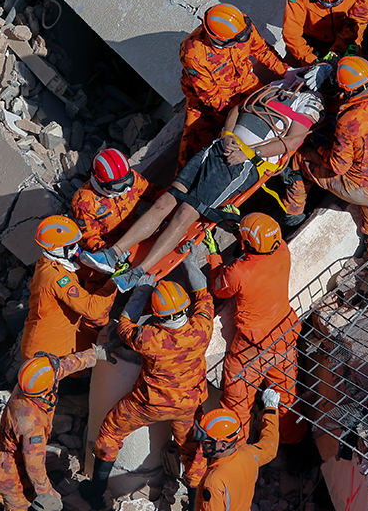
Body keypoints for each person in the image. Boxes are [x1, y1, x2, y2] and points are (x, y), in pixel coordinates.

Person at [82, 78, 324, 292]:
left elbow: (291, 142)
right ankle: (111, 254)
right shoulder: (278, 86)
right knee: (166, 201)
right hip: (218, 148)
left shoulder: (310, 101)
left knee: (187, 213)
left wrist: (250, 153)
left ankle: (136, 274)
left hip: (240, 164)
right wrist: (227, 135)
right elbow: (239, 109)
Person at [83, 257, 215, 511]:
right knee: (192, 451)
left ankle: (96, 491)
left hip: (148, 403)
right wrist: (187, 259)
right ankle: (196, 500)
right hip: (188, 404)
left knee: (110, 433)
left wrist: (142, 289)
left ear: (158, 315)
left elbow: (123, 326)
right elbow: (202, 292)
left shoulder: (150, 338)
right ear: (185, 308)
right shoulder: (202, 329)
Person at [283, 57, 368, 275]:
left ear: (346, 89)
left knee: (299, 158)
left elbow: (337, 166)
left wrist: (319, 143)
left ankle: (294, 214)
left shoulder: (350, 120)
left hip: (361, 188)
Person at [207, 213, 304, 444]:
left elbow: (220, 288)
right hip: (283, 338)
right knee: (286, 398)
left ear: (246, 243)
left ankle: (236, 451)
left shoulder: (239, 272)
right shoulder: (282, 251)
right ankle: (295, 445)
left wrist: (213, 255)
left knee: (237, 402)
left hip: (250, 348)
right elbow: (258, 248)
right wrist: (242, 231)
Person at [0, 345, 113, 511]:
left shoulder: (30, 385)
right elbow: (34, 465)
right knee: (18, 503)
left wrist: (94, 355)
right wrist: (48, 493)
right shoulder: (31, 422)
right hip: (10, 472)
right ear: (46, 390)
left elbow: (63, 366)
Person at [178, 3, 289, 167]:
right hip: (205, 106)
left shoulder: (239, 26)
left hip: (248, 87)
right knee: (189, 160)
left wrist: (288, 73)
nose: (241, 43)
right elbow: (213, 98)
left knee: (280, 121)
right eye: (235, 41)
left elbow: (262, 51)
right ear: (219, 41)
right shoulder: (194, 53)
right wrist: (236, 120)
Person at [20, 216, 116, 361]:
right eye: (72, 246)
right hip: (44, 351)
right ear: (58, 249)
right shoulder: (56, 277)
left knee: (95, 341)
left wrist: (106, 266)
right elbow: (92, 310)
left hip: (62, 332)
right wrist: (115, 284)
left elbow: (85, 271)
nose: (77, 249)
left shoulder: (54, 261)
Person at [195, 396, 281, 511]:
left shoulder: (214, 482)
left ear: (223, 445)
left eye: (207, 442)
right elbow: (270, 446)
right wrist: (271, 409)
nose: (202, 444)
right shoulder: (249, 454)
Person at [70, 148, 151, 254]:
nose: (126, 188)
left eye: (128, 181)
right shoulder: (83, 203)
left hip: (136, 232)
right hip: (112, 246)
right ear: (101, 182)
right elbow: (89, 238)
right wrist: (111, 252)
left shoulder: (132, 178)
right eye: (118, 186)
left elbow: (152, 193)